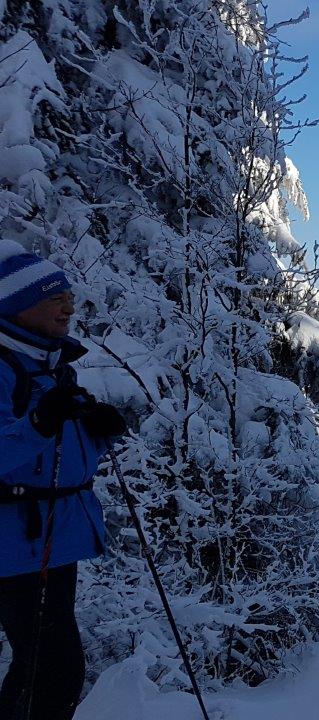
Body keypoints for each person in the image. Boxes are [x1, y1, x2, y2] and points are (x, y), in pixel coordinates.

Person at [0, 240, 125, 720]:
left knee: (43, 667)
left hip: (48, 535)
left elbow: (57, 457)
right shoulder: (5, 369)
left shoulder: (51, 368)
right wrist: (39, 424)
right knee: (52, 668)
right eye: (56, 299)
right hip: (15, 540)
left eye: (70, 299)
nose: (69, 308)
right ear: (18, 305)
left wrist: (98, 436)